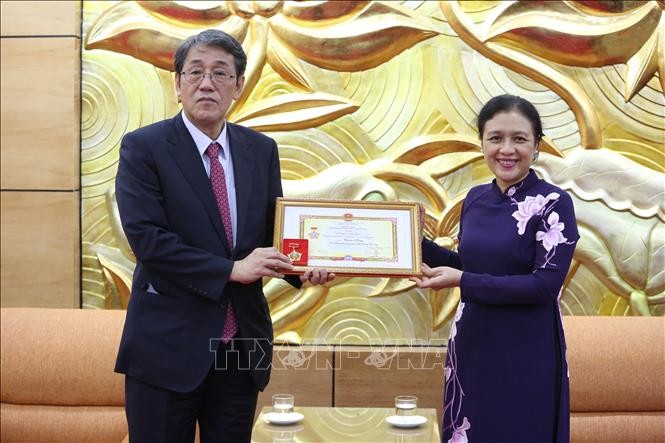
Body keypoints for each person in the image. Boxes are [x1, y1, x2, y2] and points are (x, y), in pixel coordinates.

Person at [114, 29, 333, 443]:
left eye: (220, 73)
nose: (206, 83)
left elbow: (274, 232)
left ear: (238, 86)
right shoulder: (144, 148)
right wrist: (231, 269)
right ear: (177, 84)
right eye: (194, 72)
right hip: (168, 349)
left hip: (239, 349)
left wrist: (304, 270)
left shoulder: (260, 149)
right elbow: (147, 239)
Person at [413, 95, 579, 443]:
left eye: (519, 139)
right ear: (482, 143)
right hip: (473, 345)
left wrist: (461, 281)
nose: (507, 149)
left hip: (527, 349)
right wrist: (414, 241)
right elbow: (469, 266)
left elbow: (543, 287)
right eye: (496, 138)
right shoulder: (474, 198)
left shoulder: (554, 204)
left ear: (536, 146)